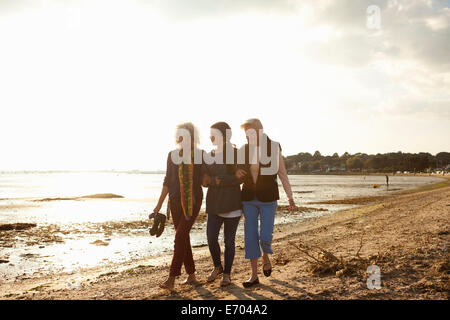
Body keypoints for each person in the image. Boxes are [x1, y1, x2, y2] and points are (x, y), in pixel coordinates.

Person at [236, 118, 296, 288]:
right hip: (248, 199)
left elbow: (282, 173)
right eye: (246, 134)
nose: (247, 137)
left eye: (250, 132)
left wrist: (290, 197)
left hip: (268, 199)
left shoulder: (274, 147)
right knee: (250, 236)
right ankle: (254, 275)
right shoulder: (244, 150)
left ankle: (265, 257)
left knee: (265, 237)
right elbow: (236, 172)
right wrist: (236, 172)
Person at [153, 122, 204, 290]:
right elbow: (167, 181)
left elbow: (205, 181)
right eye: (179, 134)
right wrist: (158, 205)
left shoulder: (200, 155)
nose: (181, 137)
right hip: (175, 202)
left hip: (193, 201)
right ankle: (191, 275)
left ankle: (172, 278)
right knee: (183, 238)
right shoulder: (172, 155)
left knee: (180, 236)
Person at [202, 122, 242, 287]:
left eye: (213, 134)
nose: (210, 137)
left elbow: (241, 177)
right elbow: (204, 181)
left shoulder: (235, 154)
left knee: (229, 241)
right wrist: (216, 180)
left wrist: (219, 180)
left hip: (233, 203)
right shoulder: (208, 156)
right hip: (214, 204)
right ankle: (217, 267)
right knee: (211, 237)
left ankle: (227, 274)